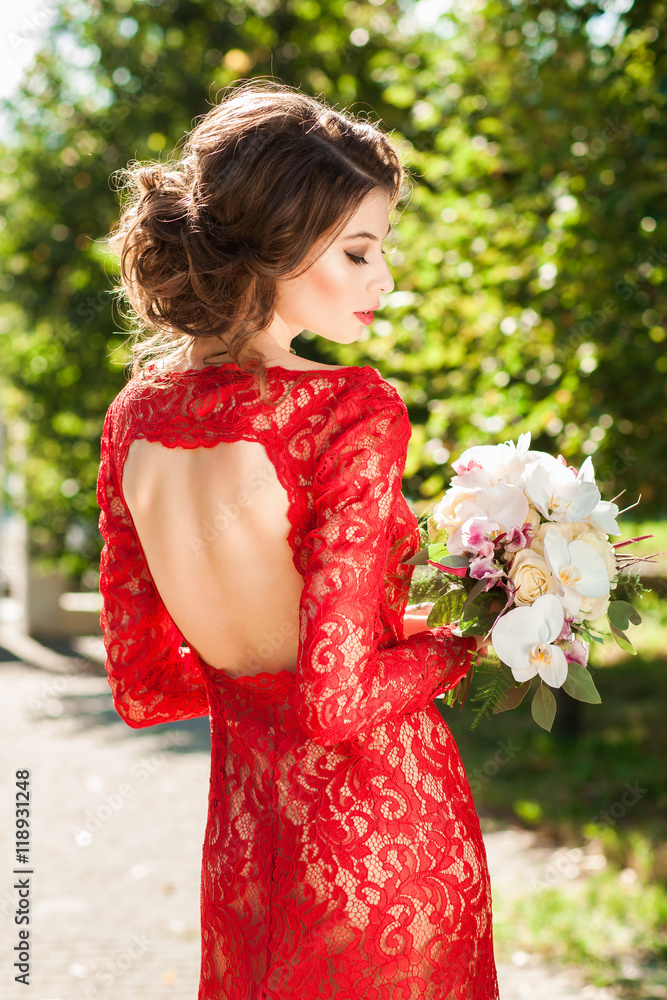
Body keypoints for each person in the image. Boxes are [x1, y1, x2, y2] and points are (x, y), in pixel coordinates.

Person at [97, 80, 499, 999]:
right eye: (358, 251)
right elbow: (333, 700)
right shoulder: (350, 409)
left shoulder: (133, 419)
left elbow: (145, 686)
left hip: (247, 851)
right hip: (382, 837)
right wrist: (473, 633)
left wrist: (263, 664)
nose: (383, 280)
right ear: (276, 243)